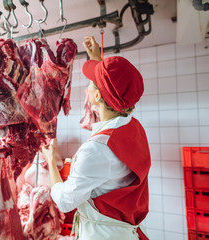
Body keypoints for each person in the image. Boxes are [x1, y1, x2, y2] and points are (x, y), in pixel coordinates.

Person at [42, 36, 151, 240]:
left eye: (92, 83)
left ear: (98, 97)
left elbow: (65, 201)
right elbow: (116, 90)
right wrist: (97, 59)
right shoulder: (133, 128)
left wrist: (50, 160)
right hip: (122, 231)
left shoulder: (97, 149)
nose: (87, 87)